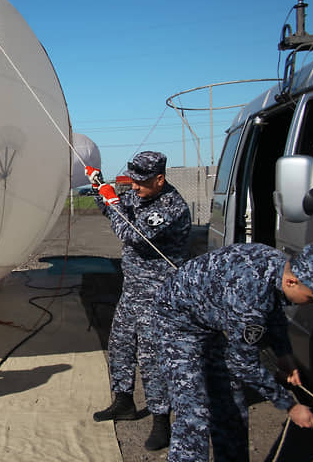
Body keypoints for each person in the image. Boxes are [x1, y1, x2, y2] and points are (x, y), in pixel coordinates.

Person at [156, 243, 313, 462]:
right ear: (292, 282)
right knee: (194, 414)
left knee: (232, 404)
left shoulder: (279, 265)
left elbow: (273, 309)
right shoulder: (249, 296)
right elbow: (244, 364)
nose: (311, 304)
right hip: (177, 324)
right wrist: (290, 405)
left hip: (209, 321)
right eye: (311, 298)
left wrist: (285, 355)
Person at [88, 151, 191, 451]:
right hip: (132, 290)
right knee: (119, 344)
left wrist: (113, 201)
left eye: (141, 182)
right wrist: (99, 189)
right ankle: (123, 402)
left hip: (158, 295)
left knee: (151, 358)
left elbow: (131, 234)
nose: (134, 187)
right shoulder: (140, 196)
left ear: (160, 179)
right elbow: (111, 210)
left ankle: (161, 421)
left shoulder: (171, 207)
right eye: (132, 181)